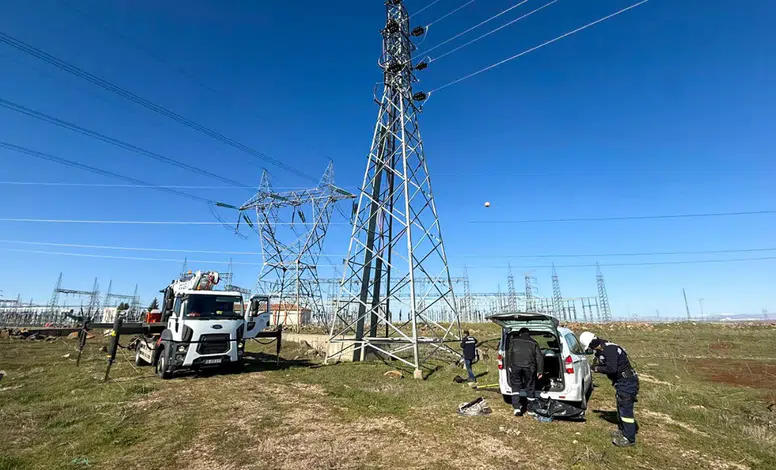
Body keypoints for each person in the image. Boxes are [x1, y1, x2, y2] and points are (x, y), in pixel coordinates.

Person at [580, 331, 640, 447]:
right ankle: (623, 431)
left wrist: (596, 369)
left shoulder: (610, 350)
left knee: (625, 410)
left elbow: (611, 368)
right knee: (620, 406)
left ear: (593, 342)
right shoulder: (602, 348)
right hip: (621, 382)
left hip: (627, 382)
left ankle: (629, 438)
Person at [508, 327, 543, 416]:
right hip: (529, 367)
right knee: (530, 386)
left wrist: (509, 365)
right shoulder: (533, 342)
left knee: (515, 386)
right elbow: (539, 357)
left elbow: (509, 353)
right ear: (528, 334)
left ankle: (516, 408)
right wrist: (540, 371)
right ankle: (530, 409)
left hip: (516, 365)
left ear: (520, 333)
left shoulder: (514, 340)